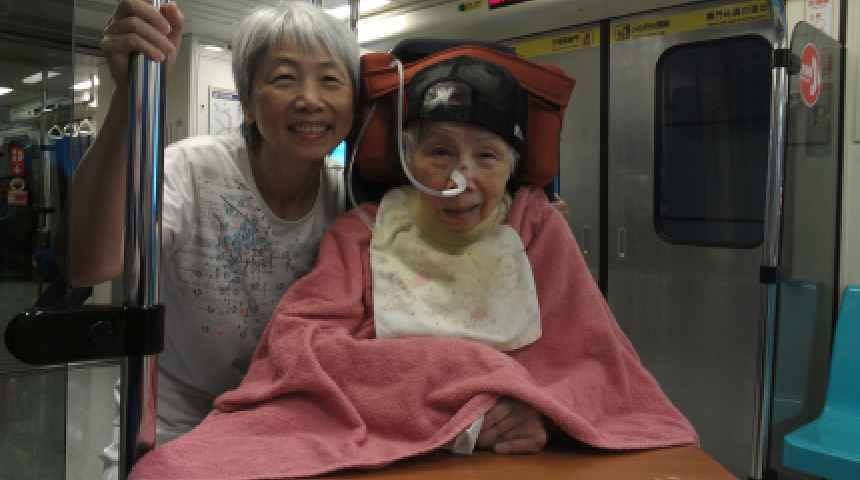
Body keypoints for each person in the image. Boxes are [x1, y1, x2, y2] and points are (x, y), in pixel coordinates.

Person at [127, 54, 697, 480]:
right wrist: (467, 401)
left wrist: (544, 414)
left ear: (512, 166)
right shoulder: (364, 232)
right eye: (440, 152)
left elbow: (595, 362)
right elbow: (300, 346)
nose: (460, 178)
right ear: (408, 158)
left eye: (486, 156)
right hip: (386, 456)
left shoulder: (537, 230)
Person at [68, 0, 359, 477]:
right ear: (247, 100)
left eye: (330, 80)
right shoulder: (193, 170)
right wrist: (129, 95)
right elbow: (90, 263)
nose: (310, 99)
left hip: (291, 423)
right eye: (285, 78)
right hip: (176, 426)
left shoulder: (351, 198)